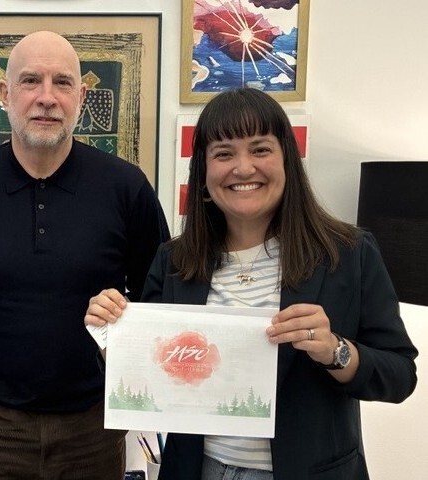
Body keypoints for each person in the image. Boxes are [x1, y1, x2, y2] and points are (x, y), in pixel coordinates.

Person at [85, 87, 418, 479]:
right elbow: (151, 378)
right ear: (204, 174)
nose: (243, 168)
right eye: (224, 153)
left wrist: (335, 350)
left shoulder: (348, 253)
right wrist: (113, 338)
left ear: (287, 161)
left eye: (260, 149)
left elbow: (399, 376)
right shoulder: (174, 261)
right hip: (197, 470)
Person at [0, 30, 169, 479]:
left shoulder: (126, 188)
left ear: (82, 95)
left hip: (93, 423)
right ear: (4, 93)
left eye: (63, 83)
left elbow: (157, 291)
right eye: (31, 81)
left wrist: (121, 329)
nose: (46, 98)